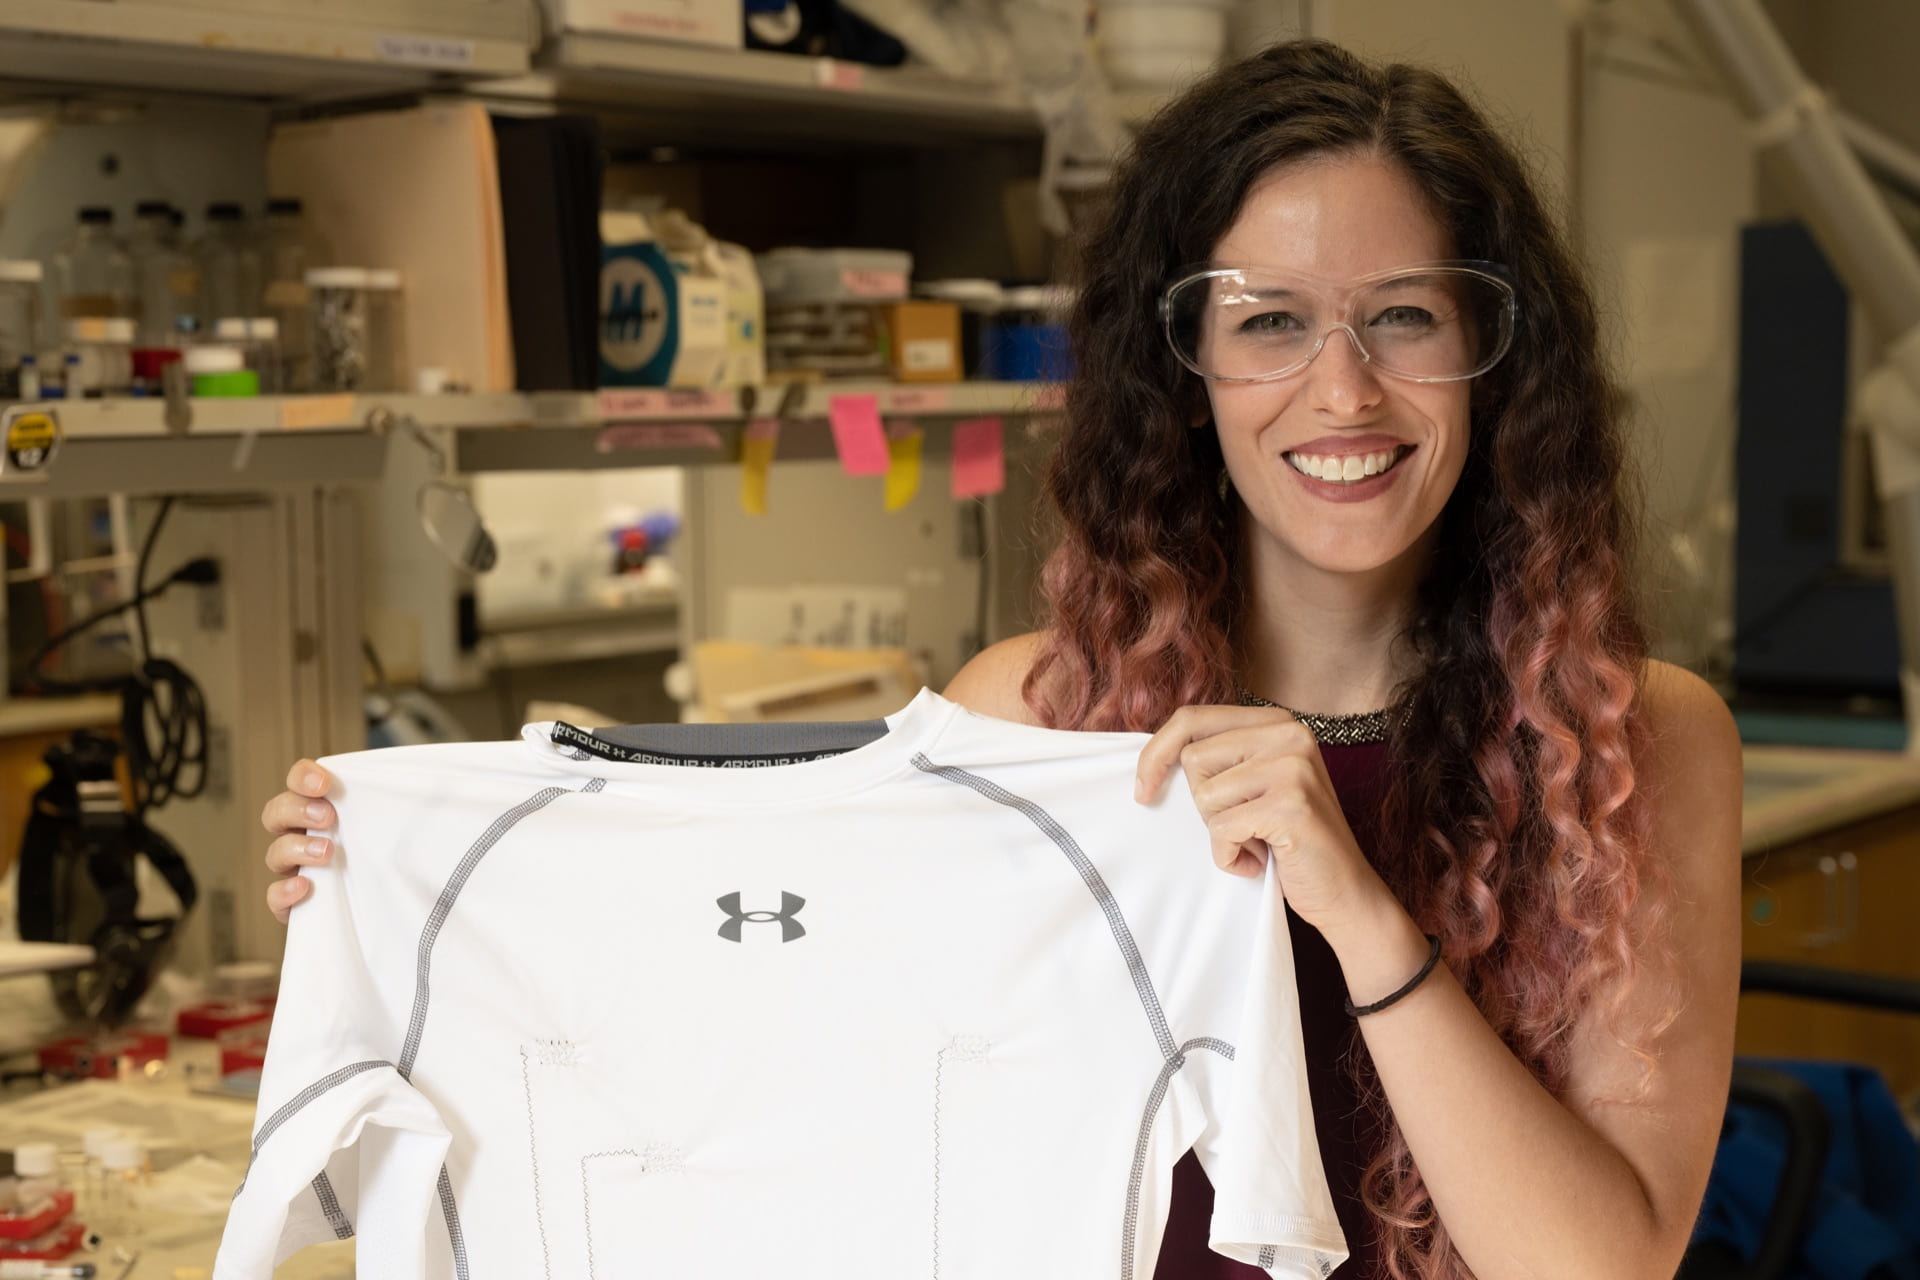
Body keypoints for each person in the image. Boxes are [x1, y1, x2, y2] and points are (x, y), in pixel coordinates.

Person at [258, 39, 1741, 1280]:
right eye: (1269, 321)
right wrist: (400, 885)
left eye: (1403, 317)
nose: (1340, 389)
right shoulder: (1035, 720)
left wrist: (1354, 907)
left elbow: (1604, 1267)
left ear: (1495, 346)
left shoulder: (1630, 742)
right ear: (1187, 369)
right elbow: (780, 1079)